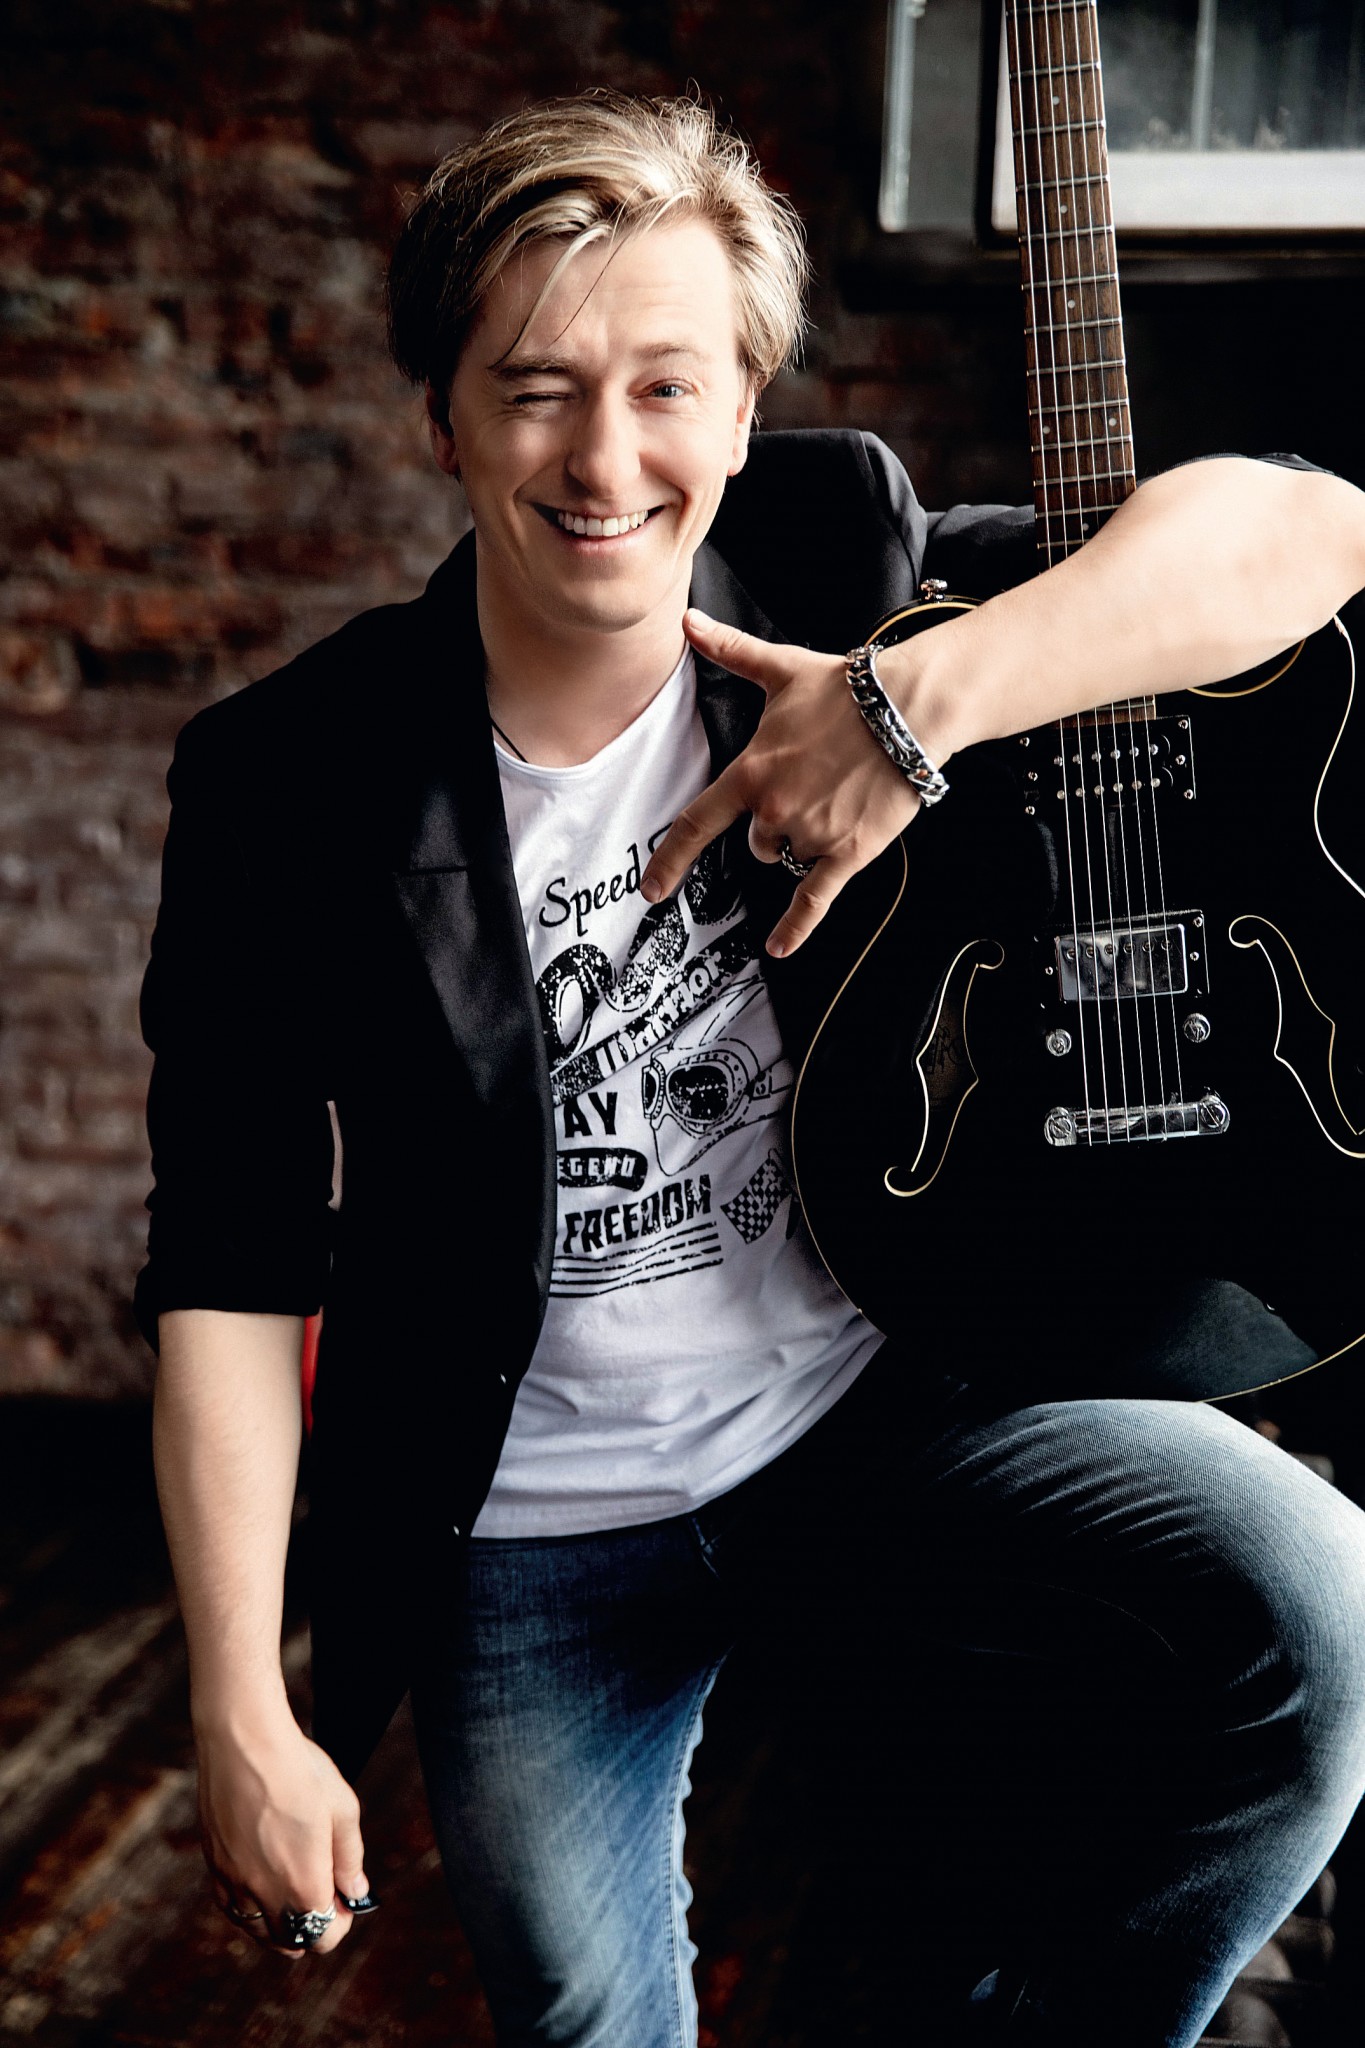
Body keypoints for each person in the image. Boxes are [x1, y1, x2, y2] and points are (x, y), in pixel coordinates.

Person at [139, 90, 1365, 2046]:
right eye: (533, 391)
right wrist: (237, 1710)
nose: (603, 456)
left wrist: (904, 706)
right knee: (587, 2021)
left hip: (869, 1415)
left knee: (1319, 1613)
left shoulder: (847, 566)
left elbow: (1311, 533)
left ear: (740, 408)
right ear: (439, 416)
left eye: (664, 386)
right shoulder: (286, 780)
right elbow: (230, 1259)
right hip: (525, 1525)